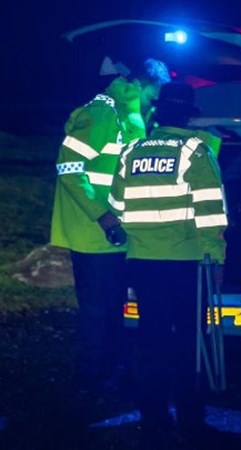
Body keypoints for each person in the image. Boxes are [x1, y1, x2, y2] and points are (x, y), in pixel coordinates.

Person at [107, 81, 227, 447]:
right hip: (186, 264)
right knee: (190, 343)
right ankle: (191, 422)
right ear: (188, 115)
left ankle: (153, 419)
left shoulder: (131, 151)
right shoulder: (195, 151)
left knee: (151, 341)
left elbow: (117, 207)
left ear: (159, 112)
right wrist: (216, 260)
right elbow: (209, 211)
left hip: (143, 262)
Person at [49, 58, 171, 400]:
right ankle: (89, 380)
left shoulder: (131, 116)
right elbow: (69, 167)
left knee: (112, 307)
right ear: (143, 84)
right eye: (155, 95)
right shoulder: (102, 114)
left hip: (115, 234)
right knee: (98, 310)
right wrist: (103, 216)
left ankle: (108, 375)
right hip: (94, 234)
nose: (156, 103)